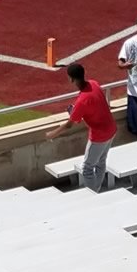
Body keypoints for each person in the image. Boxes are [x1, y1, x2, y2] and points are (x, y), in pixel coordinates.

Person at [45, 62, 116, 192]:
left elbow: (69, 125)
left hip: (99, 136)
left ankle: (92, 195)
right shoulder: (94, 84)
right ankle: (97, 189)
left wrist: (52, 134)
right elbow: (92, 107)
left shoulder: (81, 101)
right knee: (101, 162)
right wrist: (77, 112)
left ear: (71, 79)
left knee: (87, 168)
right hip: (111, 129)